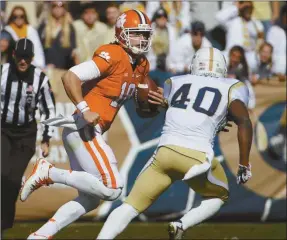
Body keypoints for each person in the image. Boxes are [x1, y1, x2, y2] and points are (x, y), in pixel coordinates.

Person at [20, 10, 164, 239]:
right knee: (113, 187)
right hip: (83, 127)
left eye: (145, 34)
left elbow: (143, 111)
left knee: (90, 199)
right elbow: (70, 76)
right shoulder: (113, 54)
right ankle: (49, 172)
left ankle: (39, 236)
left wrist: (159, 104)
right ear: (122, 34)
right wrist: (85, 109)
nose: (142, 40)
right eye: (136, 34)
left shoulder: (141, 64)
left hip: (84, 131)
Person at [96, 47, 253, 240]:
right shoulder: (233, 86)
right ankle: (181, 225)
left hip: (165, 153)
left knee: (129, 205)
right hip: (197, 157)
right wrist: (244, 164)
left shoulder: (175, 82)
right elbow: (244, 121)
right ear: (222, 67)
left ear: (194, 64)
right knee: (218, 196)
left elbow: (181, 107)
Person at [1, 38, 56, 231]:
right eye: (19, 57)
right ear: (14, 56)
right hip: (3, 130)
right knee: (1, 172)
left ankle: (4, 224)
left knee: (13, 180)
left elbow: (48, 110)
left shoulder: (40, 79)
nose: (23, 61)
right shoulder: (3, 72)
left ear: (32, 58)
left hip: (25, 134)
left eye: (27, 57)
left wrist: (46, 138)